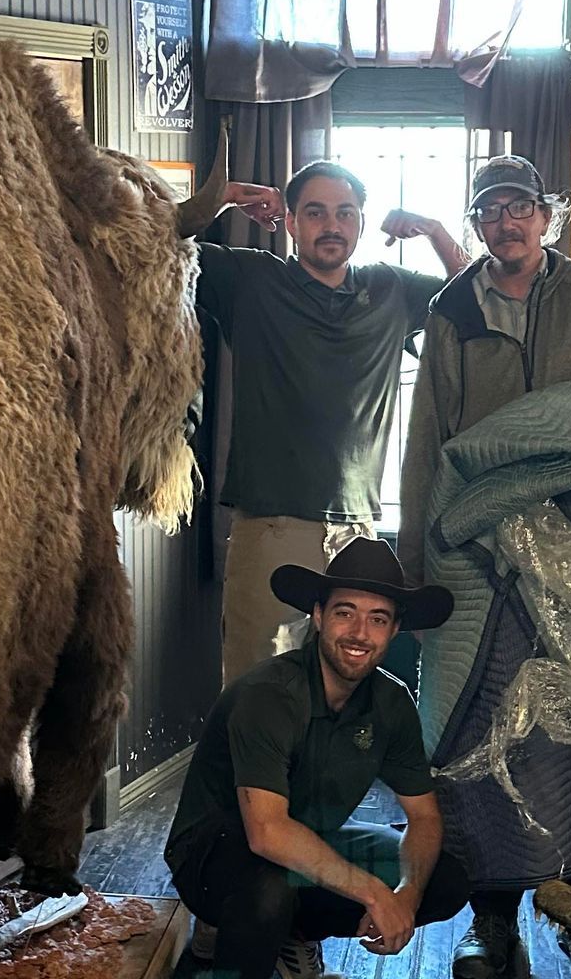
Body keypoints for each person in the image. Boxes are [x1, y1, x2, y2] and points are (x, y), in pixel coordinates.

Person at [398, 153, 571, 979]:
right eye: (491, 211)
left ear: (546, 218)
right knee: (482, 736)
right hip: (487, 559)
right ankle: (491, 922)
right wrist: (418, 563)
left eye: (520, 207)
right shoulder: (452, 310)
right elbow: (430, 436)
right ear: (478, 225)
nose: (507, 223)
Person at [165, 538, 470, 979]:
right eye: (345, 613)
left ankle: (291, 936)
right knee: (265, 890)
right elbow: (265, 832)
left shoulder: (390, 702)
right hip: (214, 855)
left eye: (378, 618)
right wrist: (373, 892)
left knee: (448, 880)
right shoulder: (269, 694)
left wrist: (407, 895)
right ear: (317, 616)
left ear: (395, 631)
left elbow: (423, 817)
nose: (360, 632)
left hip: (305, 846)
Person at [194, 160, 464, 689]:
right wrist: (221, 197)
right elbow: (153, 244)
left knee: (343, 692)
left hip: (357, 532)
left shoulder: (391, 289)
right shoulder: (250, 279)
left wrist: (434, 231)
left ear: (361, 221)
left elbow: (476, 293)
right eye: (315, 213)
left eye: (345, 213)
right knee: (257, 691)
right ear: (291, 222)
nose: (332, 225)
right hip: (272, 525)